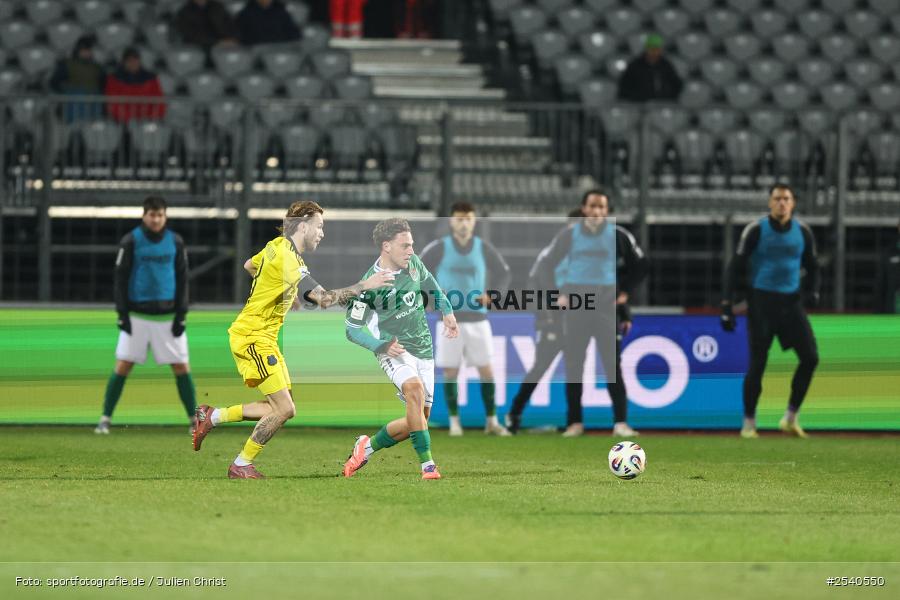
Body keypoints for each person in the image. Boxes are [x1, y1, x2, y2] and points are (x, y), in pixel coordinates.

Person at [191, 201, 394, 479]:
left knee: (279, 407)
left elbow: (249, 265)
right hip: (253, 337)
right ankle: (240, 464)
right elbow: (324, 299)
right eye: (320, 226)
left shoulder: (275, 245)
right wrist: (365, 285)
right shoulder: (289, 259)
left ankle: (212, 416)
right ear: (303, 225)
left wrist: (287, 293)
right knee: (284, 408)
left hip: (261, 336)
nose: (322, 233)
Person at [342, 218, 459, 480]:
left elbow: (432, 285)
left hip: (423, 347)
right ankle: (427, 465)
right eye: (405, 245)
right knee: (414, 391)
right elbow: (351, 330)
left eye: (412, 245)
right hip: (393, 349)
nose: (411, 250)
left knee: (418, 419)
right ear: (386, 246)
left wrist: (447, 311)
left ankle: (366, 447)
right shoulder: (369, 286)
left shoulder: (414, 263)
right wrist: (381, 345)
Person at [540, 190, 648, 437]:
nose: (597, 211)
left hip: (607, 308)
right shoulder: (568, 236)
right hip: (577, 305)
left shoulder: (619, 236)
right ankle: (574, 423)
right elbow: (546, 264)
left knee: (612, 365)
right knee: (574, 364)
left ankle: (620, 423)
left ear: (607, 211)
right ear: (584, 209)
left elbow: (641, 265)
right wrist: (557, 295)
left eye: (602, 206)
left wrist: (625, 293)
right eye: (593, 206)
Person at [721, 184, 821, 439]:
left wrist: (814, 291)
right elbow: (735, 267)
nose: (781, 203)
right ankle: (749, 423)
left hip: (791, 303)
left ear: (793, 203)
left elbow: (813, 264)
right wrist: (726, 304)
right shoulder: (756, 230)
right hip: (761, 303)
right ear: (769, 203)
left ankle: (790, 417)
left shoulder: (803, 232)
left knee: (810, 357)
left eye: (786, 199)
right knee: (758, 364)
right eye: (777, 199)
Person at [95, 197, 194, 434]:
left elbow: (183, 278)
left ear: (165, 216)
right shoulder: (130, 241)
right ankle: (105, 419)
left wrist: (182, 313)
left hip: (168, 317)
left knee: (181, 366)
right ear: (144, 215)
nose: (156, 219)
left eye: (160, 215)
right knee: (123, 365)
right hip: (137, 315)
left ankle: (194, 420)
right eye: (152, 215)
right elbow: (120, 278)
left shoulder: (175, 242)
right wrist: (122, 313)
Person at [419, 202, 512, 436]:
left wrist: (493, 295)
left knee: (487, 371)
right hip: (449, 321)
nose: (463, 223)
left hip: (478, 319)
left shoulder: (484, 248)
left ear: (474, 221)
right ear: (451, 221)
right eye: (459, 219)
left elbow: (504, 273)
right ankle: (454, 422)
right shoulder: (439, 248)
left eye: (468, 219)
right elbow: (417, 273)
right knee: (451, 372)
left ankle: (491, 421)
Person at [505, 208, 582, 434]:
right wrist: (545, 316)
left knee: (574, 371)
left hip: (576, 321)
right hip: (553, 320)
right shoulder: (552, 253)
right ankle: (514, 413)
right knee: (540, 368)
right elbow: (534, 284)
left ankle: (573, 422)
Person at [48, 35, 105, 123]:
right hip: (73, 108)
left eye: (88, 49)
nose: (86, 52)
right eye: (84, 49)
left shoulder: (97, 67)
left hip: (93, 108)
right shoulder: (67, 65)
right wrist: (67, 92)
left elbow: (103, 85)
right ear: (77, 50)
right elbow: (54, 82)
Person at [104, 48, 166, 124]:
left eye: (135, 60)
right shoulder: (114, 79)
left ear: (139, 61)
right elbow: (112, 102)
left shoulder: (151, 78)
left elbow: (159, 101)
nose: (133, 63)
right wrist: (127, 119)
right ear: (124, 62)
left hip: (146, 122)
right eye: (129, 60)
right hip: (121, 123)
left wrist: (150, 117)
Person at [617, 33, 683, 103]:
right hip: (640, 105)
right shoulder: (635, 65)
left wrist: (668, 98)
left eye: (657, 49)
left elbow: (677, 84)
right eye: (652, 49)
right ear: (647, 49)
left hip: (661, 104)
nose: (654, 52)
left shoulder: (665, 65)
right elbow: (624, 86)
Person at [174, 0, 239, 50]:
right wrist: (218, 42)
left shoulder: (218, 7)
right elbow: (191, 35)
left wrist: (231, 39)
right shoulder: (184, 12)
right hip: (198, 48)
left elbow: (229, 25)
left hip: (223, 46)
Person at [235, 0, 301, 46]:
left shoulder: (281, 10)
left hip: (279, 49)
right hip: (256, 54)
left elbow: (294, 33)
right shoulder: (245, 13)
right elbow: (239, 36)